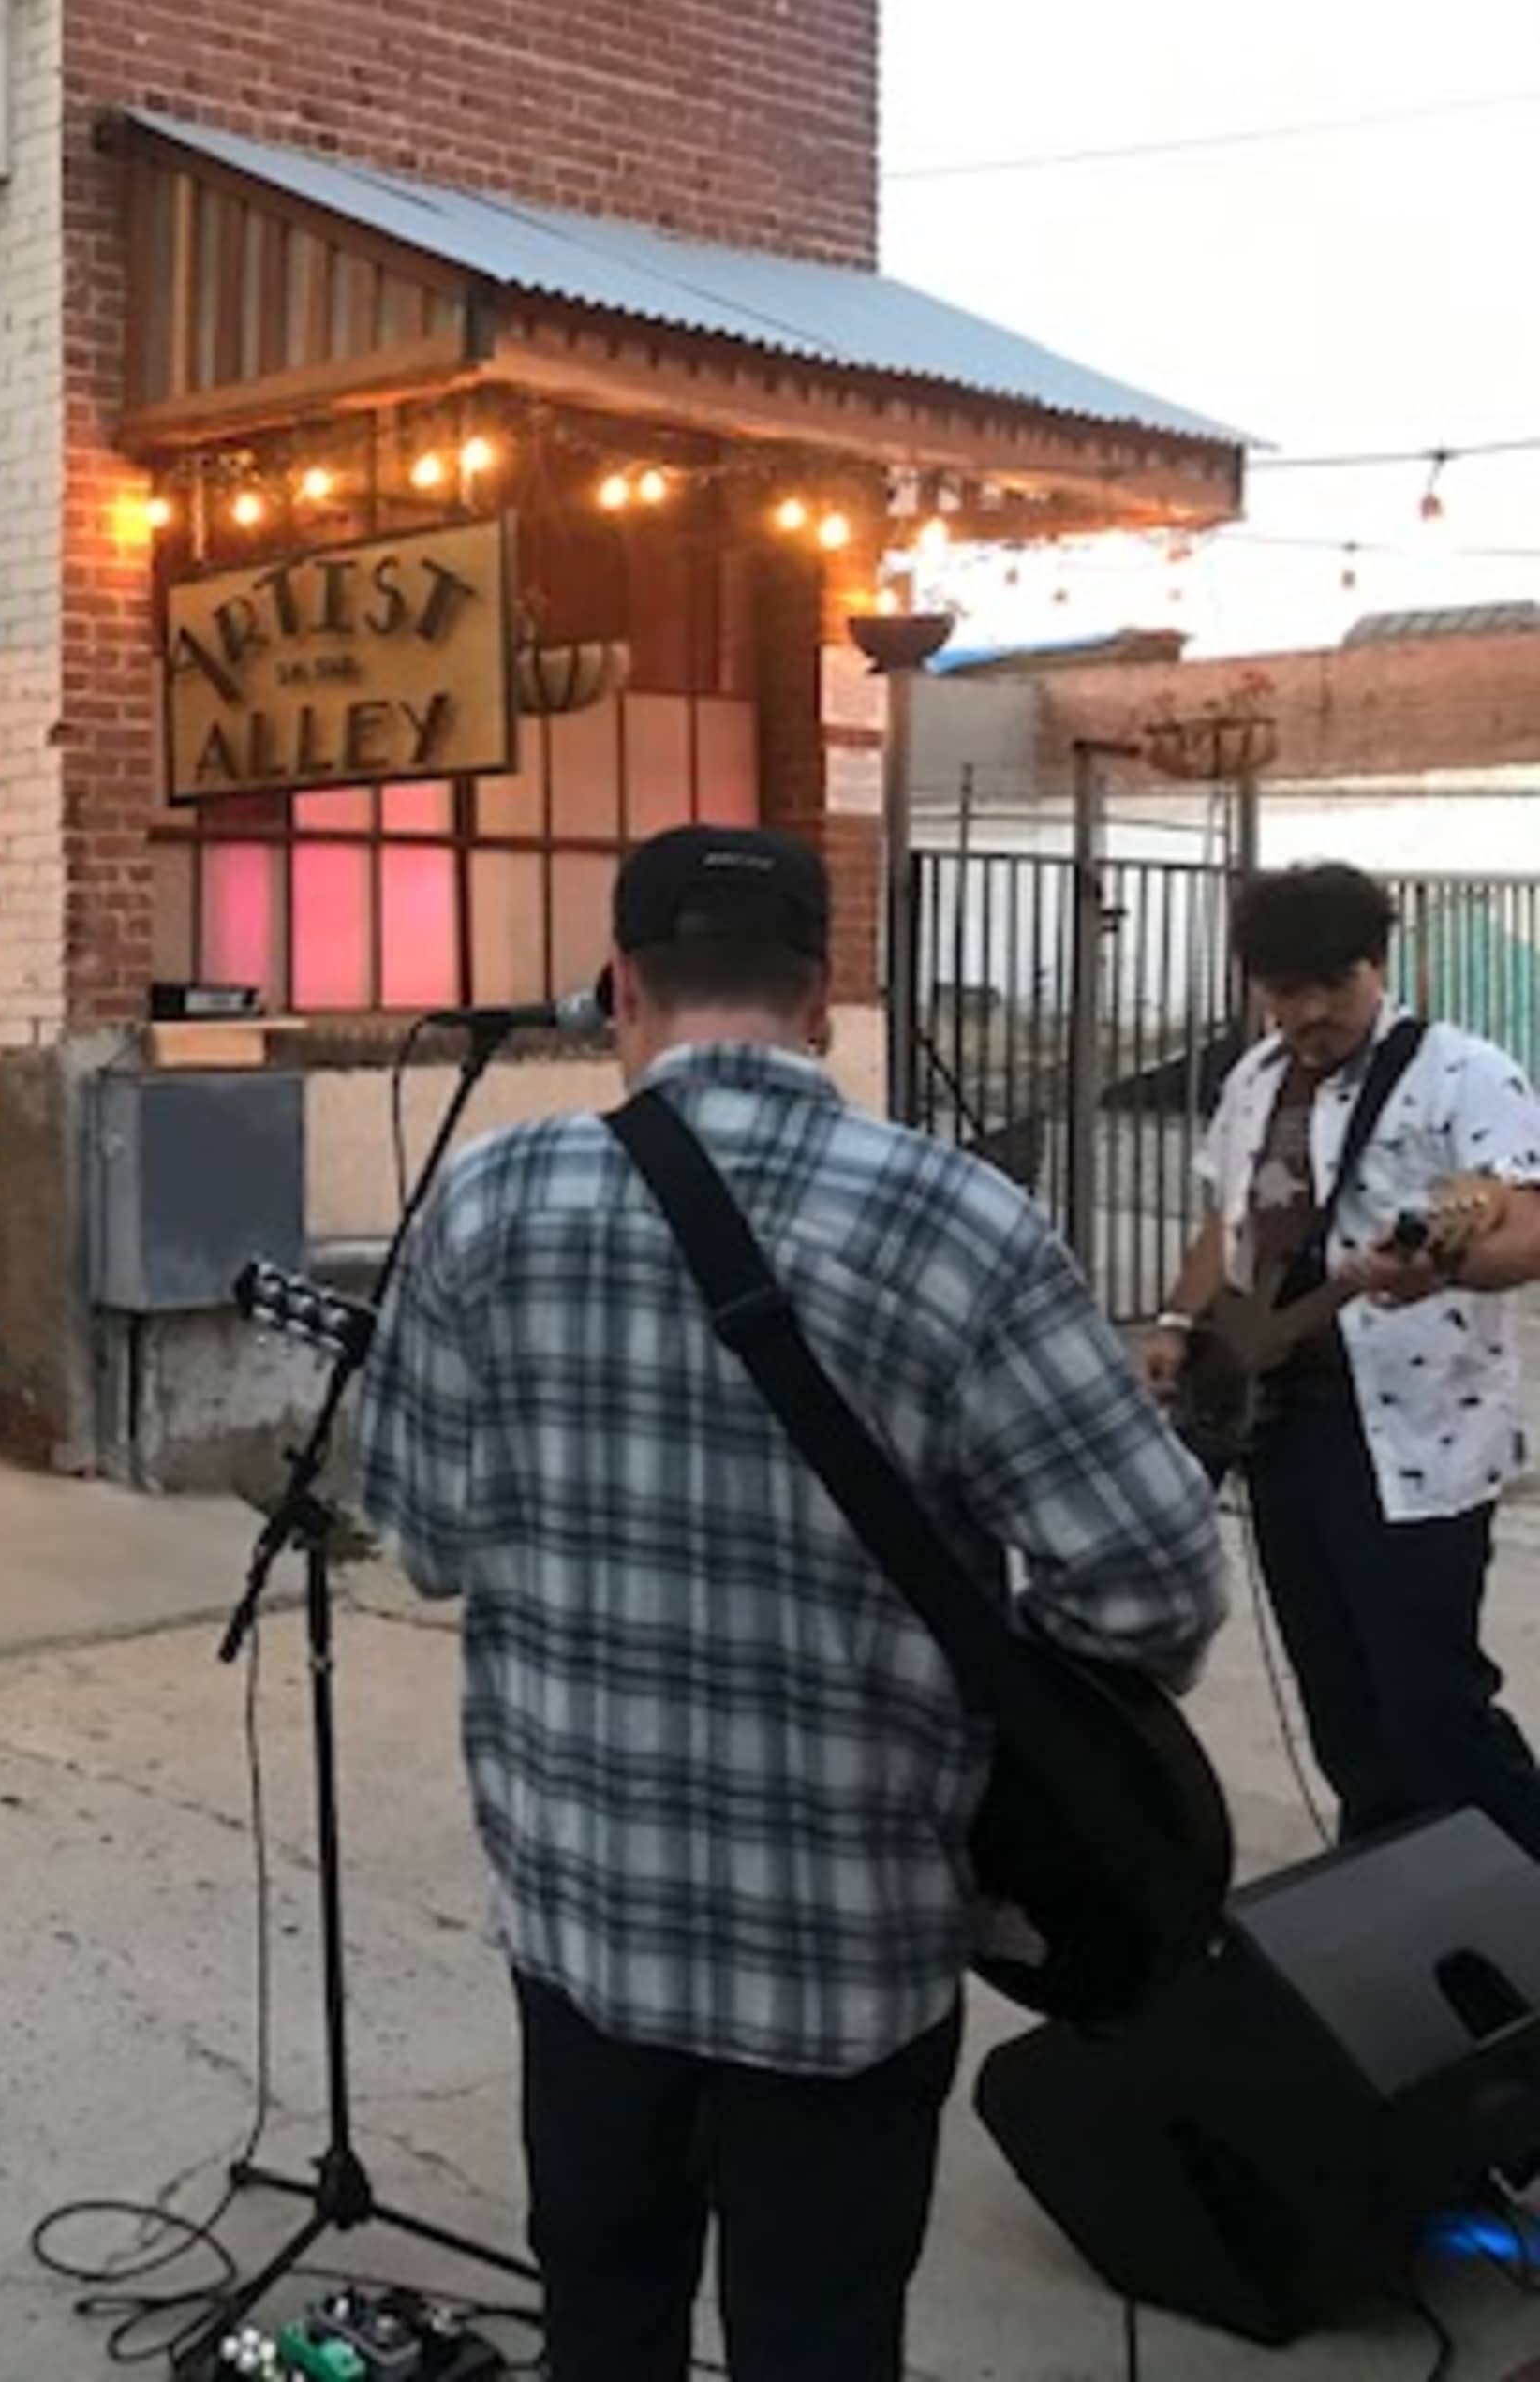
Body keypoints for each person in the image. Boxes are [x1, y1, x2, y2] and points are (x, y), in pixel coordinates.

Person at [360, 825, 1224, 2382]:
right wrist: (997, 1697)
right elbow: (1152, 1579)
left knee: (603, 2312)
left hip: (585, 1915)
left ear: (619, 987)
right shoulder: (957, 1222)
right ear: (823, 997)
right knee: (820, 2332)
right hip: (850, 1938)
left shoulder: (490, 1201)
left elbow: (424, 1532)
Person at [1142, 862, 1540, 1857]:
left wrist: (1443, 1272)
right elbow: (1226, 1225)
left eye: (1333, 984)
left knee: (1430, 1699)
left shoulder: (1463, 1073)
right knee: (1340, 1704)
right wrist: (1178, 1325)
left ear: (1380, 963)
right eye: (1285, 991)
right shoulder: (1257, 1079)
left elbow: (1525, 1229)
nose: (1310, 1011)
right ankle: (1386, 1894)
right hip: (1279, 1427)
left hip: (1413, 1437)